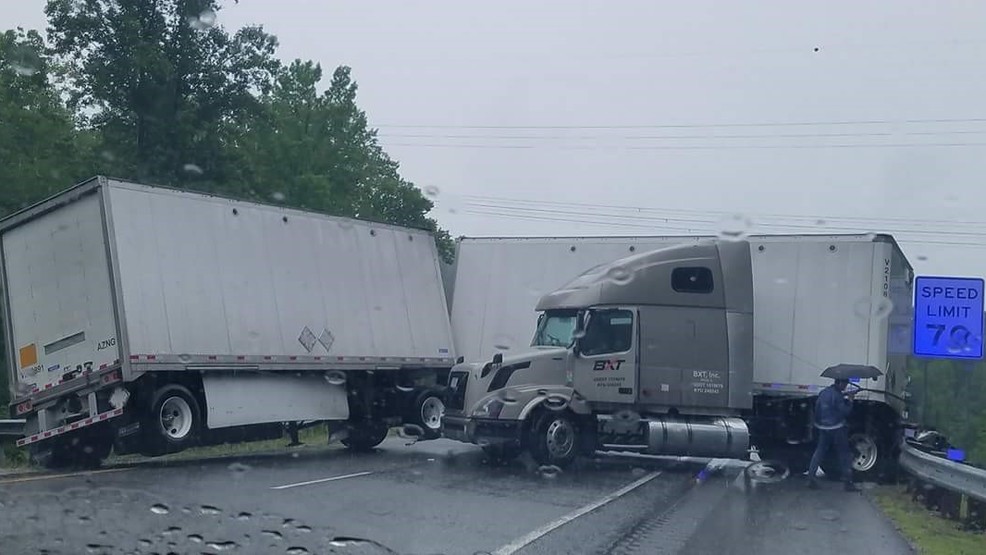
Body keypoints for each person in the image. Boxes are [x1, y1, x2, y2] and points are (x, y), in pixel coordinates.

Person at [807, 377, 861, 491]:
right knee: (844, 455)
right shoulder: (837, 396)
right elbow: (845, 412)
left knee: (819, 452)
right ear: (840, 383)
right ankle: (848, 482)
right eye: (845, 384)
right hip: (837, 429)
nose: (845, 386)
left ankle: (811, 478)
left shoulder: (824, 393)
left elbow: (817, 409)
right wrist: (850, 400)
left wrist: (817, 423)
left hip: (823, 428)